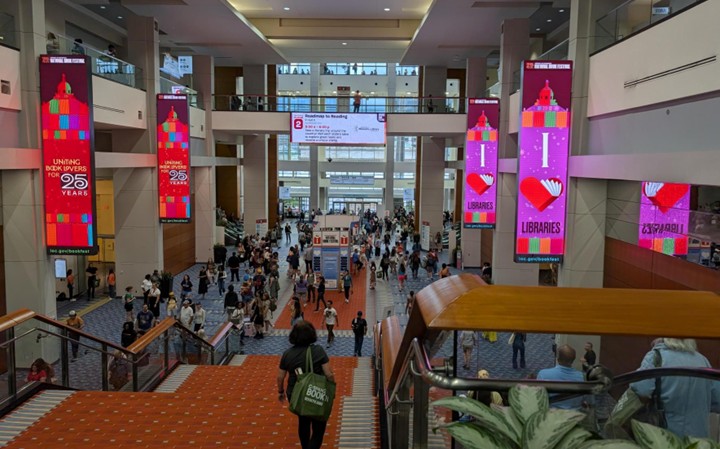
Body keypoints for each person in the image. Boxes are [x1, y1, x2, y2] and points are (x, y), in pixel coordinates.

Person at [631, 338, 720, 438]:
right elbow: (717, 400)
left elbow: (642, 389)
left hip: (667, 438)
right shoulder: (702, 360)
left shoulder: (656, 357)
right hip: (698, 439)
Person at [277, 321, 335, 449]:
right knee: (319, 425)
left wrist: (280, 391)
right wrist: (332, 389)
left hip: (296, 393)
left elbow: (280, 376)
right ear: (311, 334)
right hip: (316, 391)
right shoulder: (318, 351)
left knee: (303, 421)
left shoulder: (287, 353)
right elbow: (329, 374)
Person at [537, 345, 585, 410]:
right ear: (574, 359)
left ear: (558, 358)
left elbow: (540, 401)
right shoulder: (583, 378)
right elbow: (590, 402)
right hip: (576, 417)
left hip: (553, 416)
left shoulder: (543, 374)